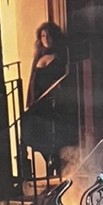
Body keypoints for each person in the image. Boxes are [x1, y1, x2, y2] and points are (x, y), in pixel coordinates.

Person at [22, 22, 71, 177]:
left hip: (54, 102)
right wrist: (31, 100)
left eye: (49, 35)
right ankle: (46, 159)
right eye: (43, 36)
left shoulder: (61, 56)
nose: (46, 39)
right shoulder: (38, 57)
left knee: (51, 131)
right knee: (27, 127)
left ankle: (54, 160)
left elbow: (64, 79)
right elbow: (33, 81)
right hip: (39, 102)